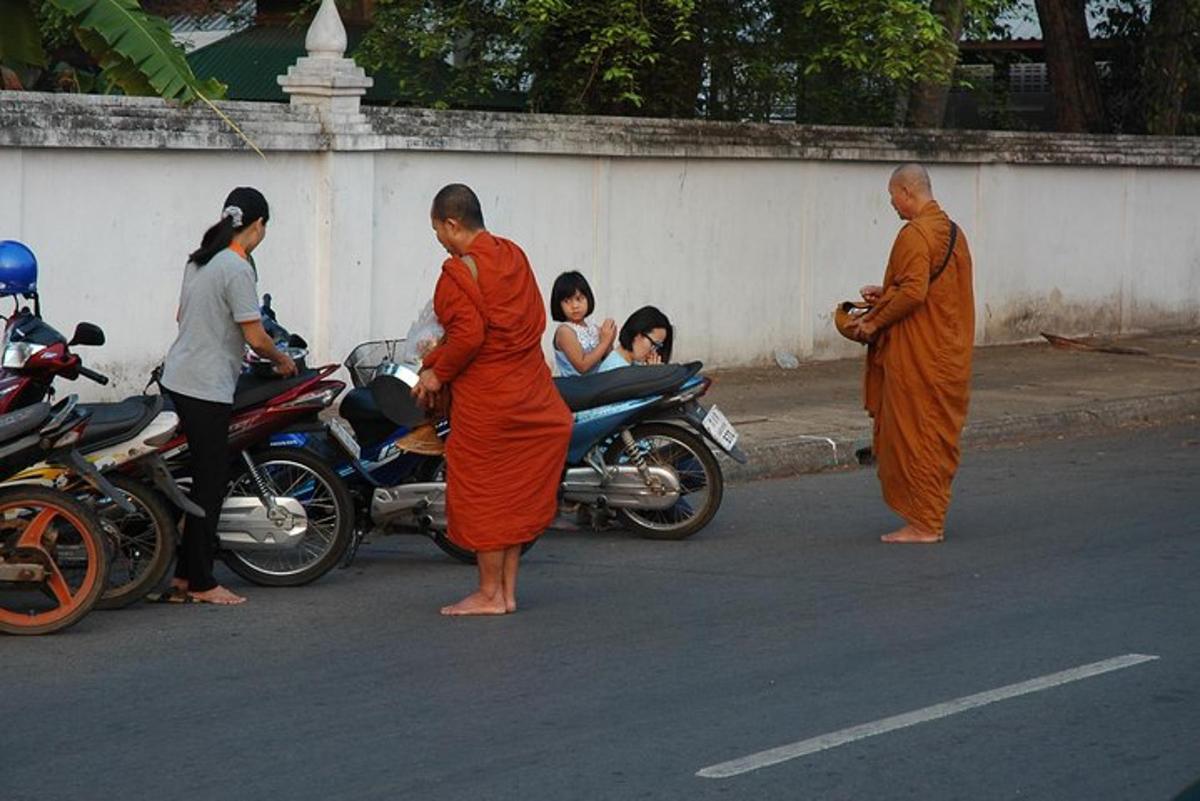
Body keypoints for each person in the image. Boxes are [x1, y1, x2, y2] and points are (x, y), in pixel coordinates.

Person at [413, 184, 572, 616]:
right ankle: (506, 593)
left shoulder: (457, 274)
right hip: (529, 390)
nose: (439, 241)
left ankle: (487, 592)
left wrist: (435, 370)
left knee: (484, 494)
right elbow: (533, 319)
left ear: (451, 223)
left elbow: (468, 336)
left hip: (488, 402)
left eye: (437, 231)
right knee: (514, 495)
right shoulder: (514, 255)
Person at [158, 187, 298, 604]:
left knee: (202, 478)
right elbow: (254, 334)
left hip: (178, 377)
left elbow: (182, 316)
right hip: (206, 387)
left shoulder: (199, 260)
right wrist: (282, 360)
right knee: (209, 484)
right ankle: (202, 582)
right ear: (258, 226)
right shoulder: (237, 268)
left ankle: (184, 577)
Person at [846, 163, 975, 544]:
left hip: (922, 356)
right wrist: (885, 294)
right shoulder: (952, 231)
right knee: (933, 434)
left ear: (906, 191)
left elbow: (915, 293)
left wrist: (873, 322)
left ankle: (924, 524)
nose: (892, 206)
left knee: (917, 434)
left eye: (892, 198)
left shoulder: (916, 234)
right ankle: (929, 517)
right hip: (947, 349)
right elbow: (928, 291)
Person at [551, 270, 616, 376]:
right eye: (567, 301)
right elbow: (582, 366)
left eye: (579, 298)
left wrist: (609, 341)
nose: (575, 306)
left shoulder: (595, 329)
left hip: (597, 385)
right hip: (576, 389)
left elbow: (608, 362)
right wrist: (605, 342)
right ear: (559, 305)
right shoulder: (564, 331)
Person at [596, 305, 674, 371]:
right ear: (637, 335)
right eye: (654, 344)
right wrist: (653, 376)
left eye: (657, 347)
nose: (654, 352)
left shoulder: (631, 364)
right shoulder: (617, 370)